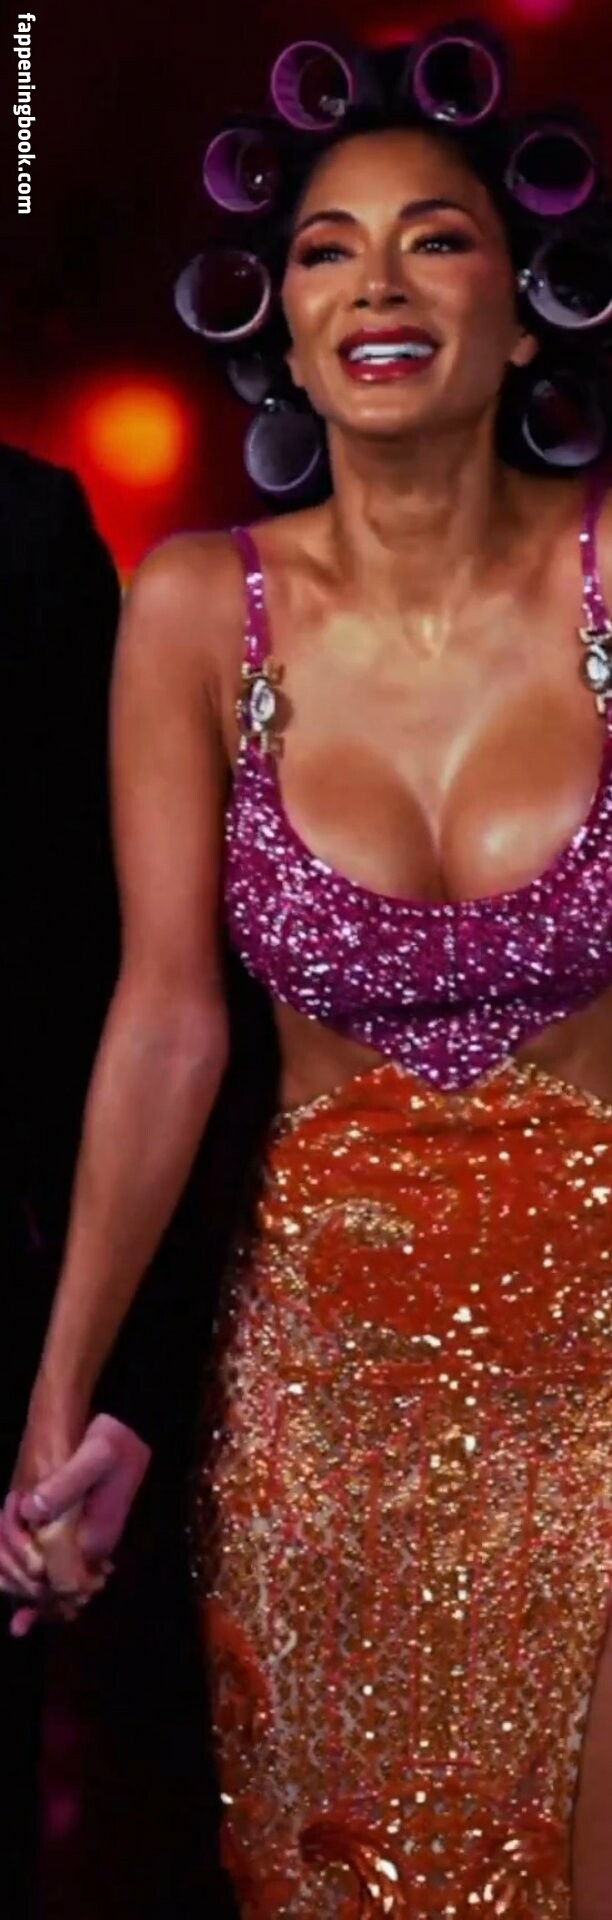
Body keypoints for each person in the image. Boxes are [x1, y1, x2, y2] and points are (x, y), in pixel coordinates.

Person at [4, 29, 612, 1916]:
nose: (379, 283)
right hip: (317, 1412)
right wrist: (59, 1396)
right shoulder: (198, 608)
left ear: (529, 309)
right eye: (330, 249)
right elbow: (167, 1024)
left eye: (438, 240)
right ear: (281, 321)